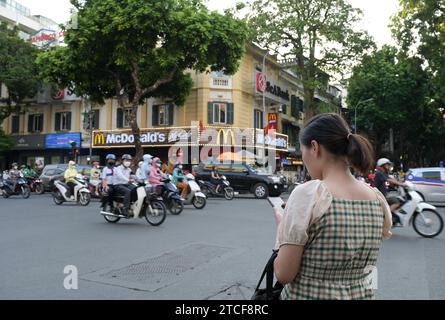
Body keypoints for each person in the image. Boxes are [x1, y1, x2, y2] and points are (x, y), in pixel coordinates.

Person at [272, 113, 392, 300]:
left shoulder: (309, 194)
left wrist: (282, 227)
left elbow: (284, 274)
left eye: (302, 151)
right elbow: (369, 272)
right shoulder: (376, 199)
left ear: (314, 147)